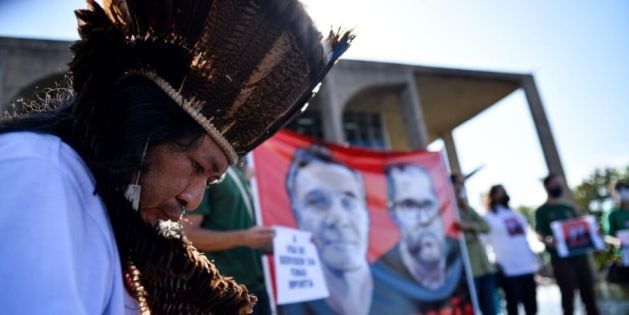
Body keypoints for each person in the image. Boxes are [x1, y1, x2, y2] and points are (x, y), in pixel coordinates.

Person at [0, 0, 352, 313]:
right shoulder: (38, 172)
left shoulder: (108, 208)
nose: (192, 198)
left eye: (210, 182)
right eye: (197, 166)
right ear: (140, 128)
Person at [282, 145, 372, 315]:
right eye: (317, 202)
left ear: (366, 211)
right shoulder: (289, 307)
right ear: (296, 213)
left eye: (348, 201)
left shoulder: (405, 293)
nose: (339, 219)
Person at [370, 164, 472, 315]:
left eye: (427, 204)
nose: (423, 218)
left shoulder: (457, 254)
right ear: (393, 212)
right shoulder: (382, 277)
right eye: (409, 206)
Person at [183, 164, 275, 315]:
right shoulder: (209, 170)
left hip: (257, 289)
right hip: (224, 292)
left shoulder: (239, 174)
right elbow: (188, 235)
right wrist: (244, 238)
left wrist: (284, 245)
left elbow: (244, 231)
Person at [535, 173, 599, 315]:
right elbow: (539, 234)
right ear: (547, 186)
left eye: (560, 183)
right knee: (568, 295)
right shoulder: (542, 211)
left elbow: (582, 227)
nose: (559, 186)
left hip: (580, 256)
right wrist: (548, 241)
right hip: (561, 260)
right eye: (555, 183)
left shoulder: (568, 207)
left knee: (589, 294)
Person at [483, 184, 539, 315]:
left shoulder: (516, 215)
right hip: (508, 269)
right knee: (512, 306)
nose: (504, 195)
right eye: (500, 192)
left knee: (532, 307)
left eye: (504, 191)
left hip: (526, 267)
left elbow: (525, 240)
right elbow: (483, 243)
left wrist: (535, 261)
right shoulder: (488, 217)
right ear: (492, 196)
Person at [450, 173, 496, 315]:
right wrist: (471, 230)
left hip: (484, 267)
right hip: (468, 271)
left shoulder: (466, 207)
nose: (460, 188)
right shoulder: (448, 209)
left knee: (490, 308)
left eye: (462, 184)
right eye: (457, 184)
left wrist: (469, 227)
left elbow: (486, 226)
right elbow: (455, 233)